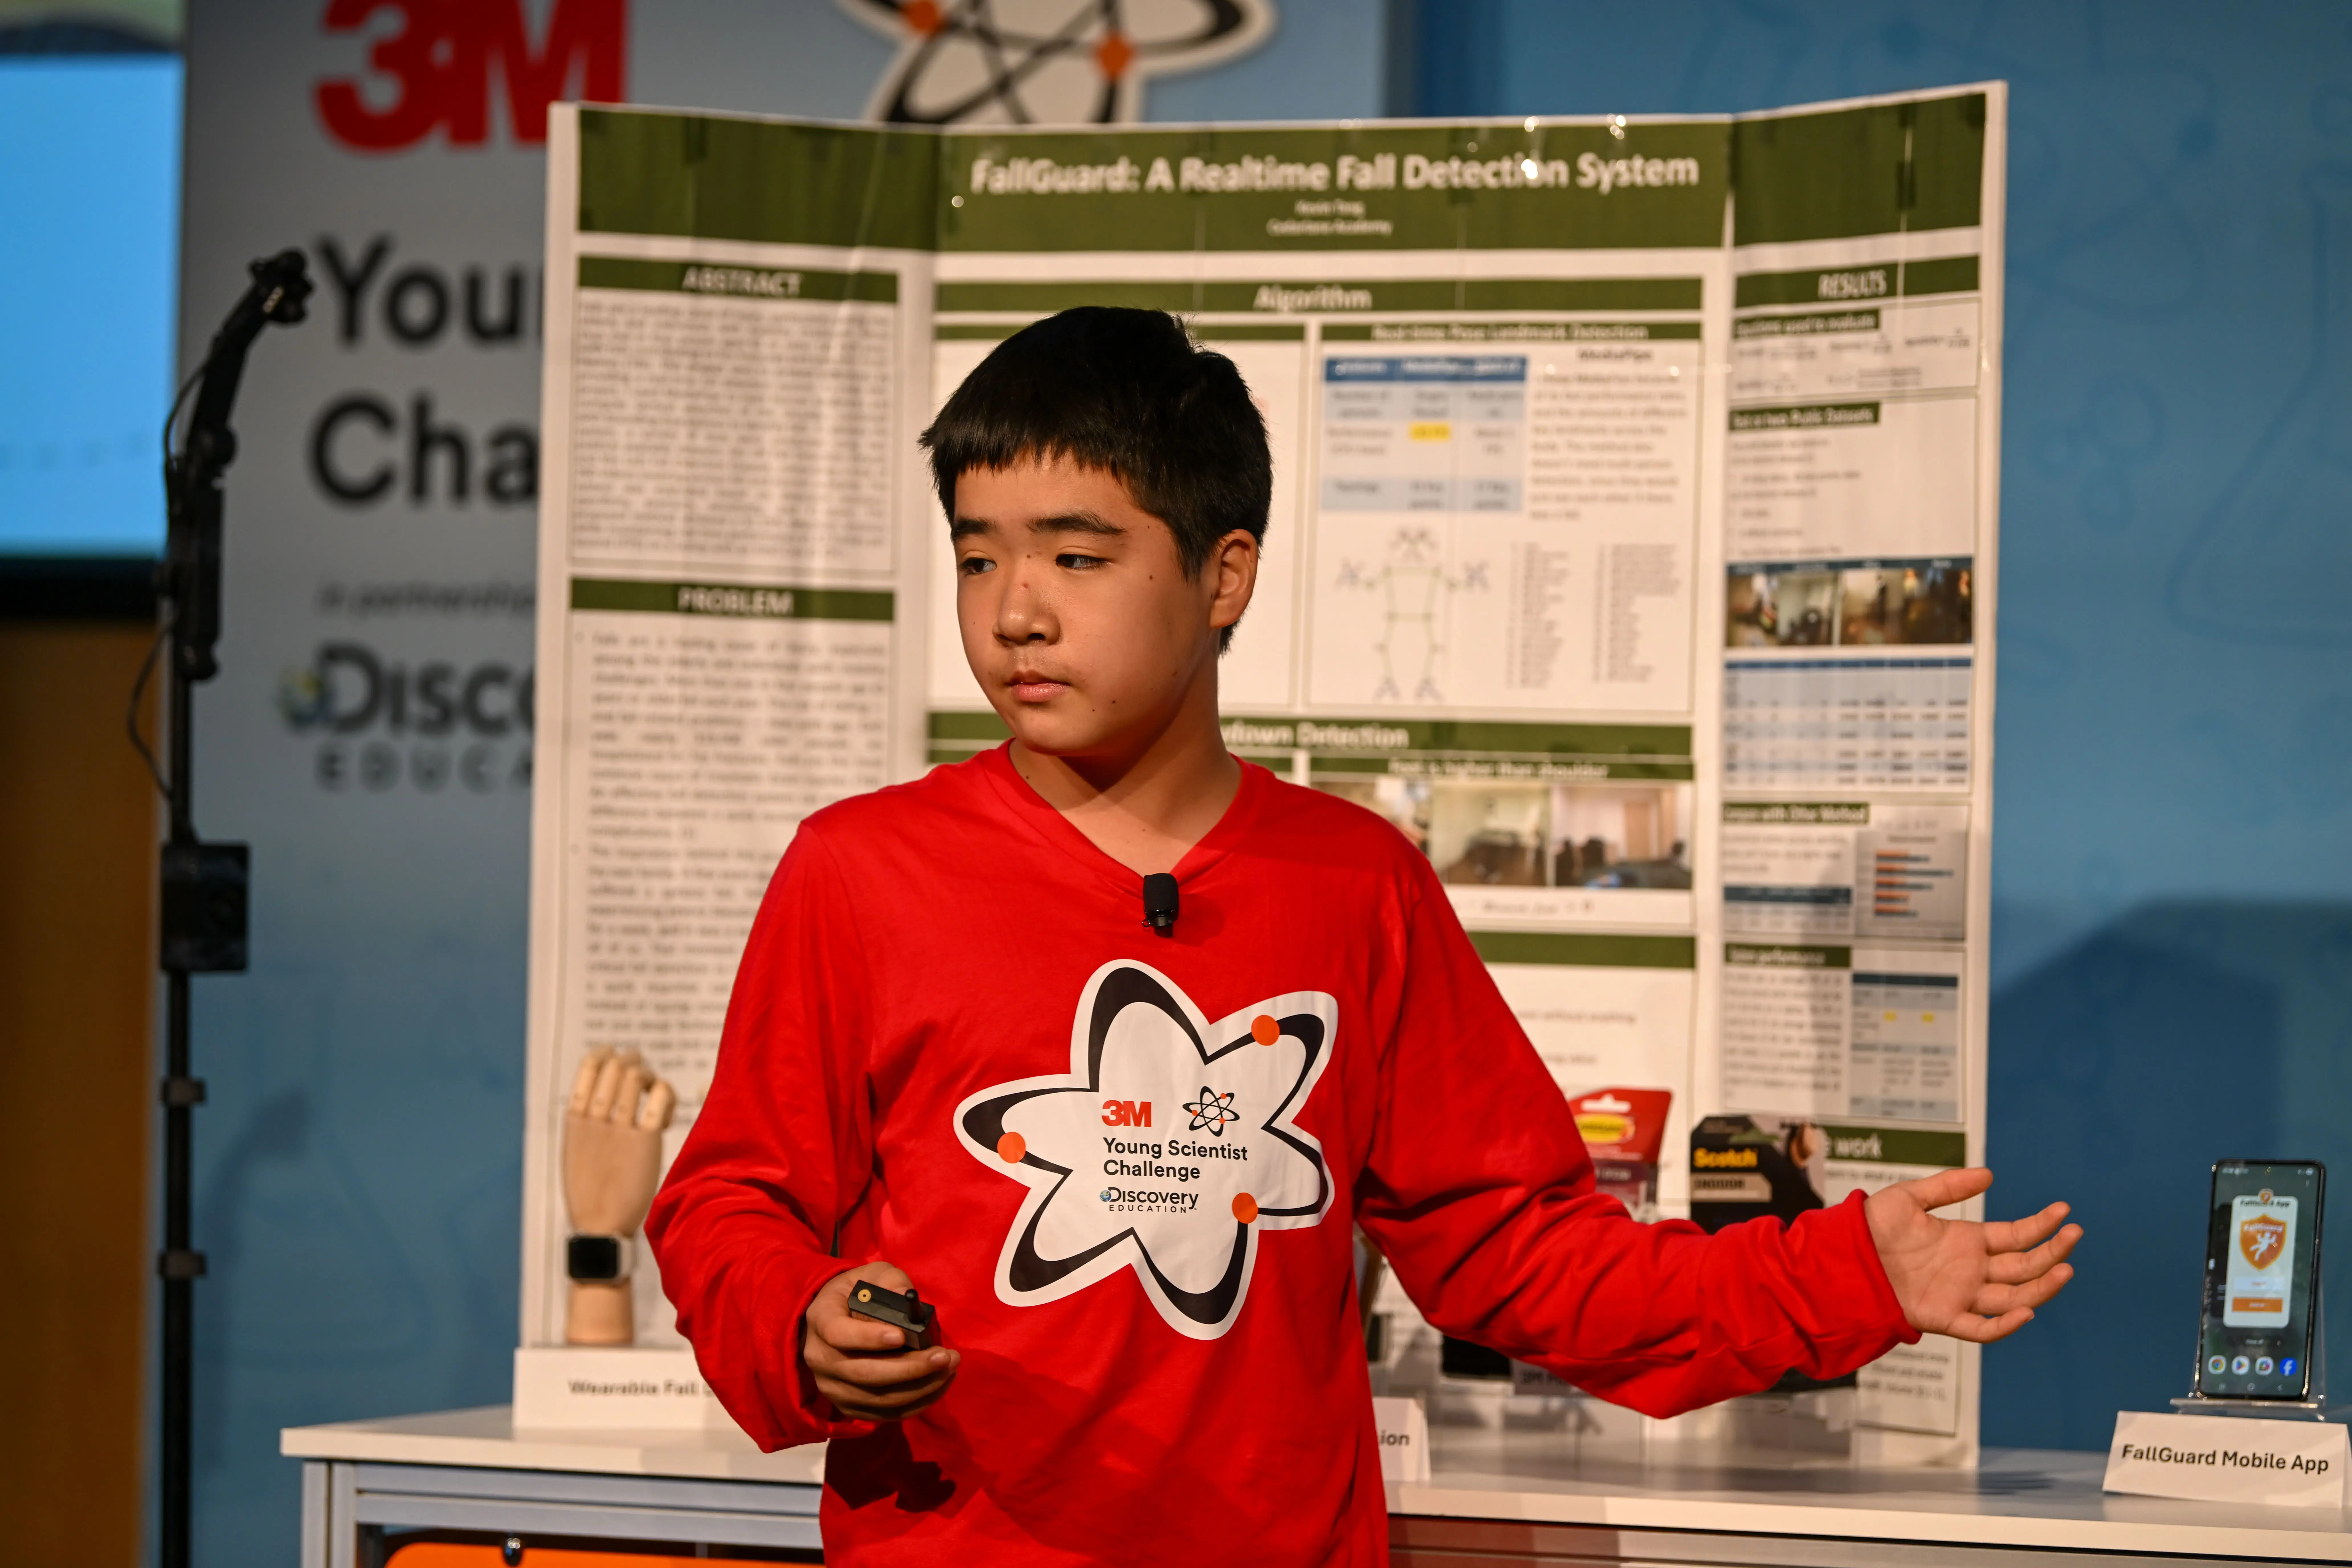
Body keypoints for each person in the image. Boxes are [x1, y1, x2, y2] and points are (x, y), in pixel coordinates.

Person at [644, 308, 2079, 1567]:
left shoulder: (1354, 881)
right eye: (977, 557)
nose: (1016, 609)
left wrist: (1849, 1274)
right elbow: (729, 1201)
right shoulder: (863, 870)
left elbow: (1521, 1248)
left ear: (1224, 576)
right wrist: (803, 1317)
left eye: (1077, 554)